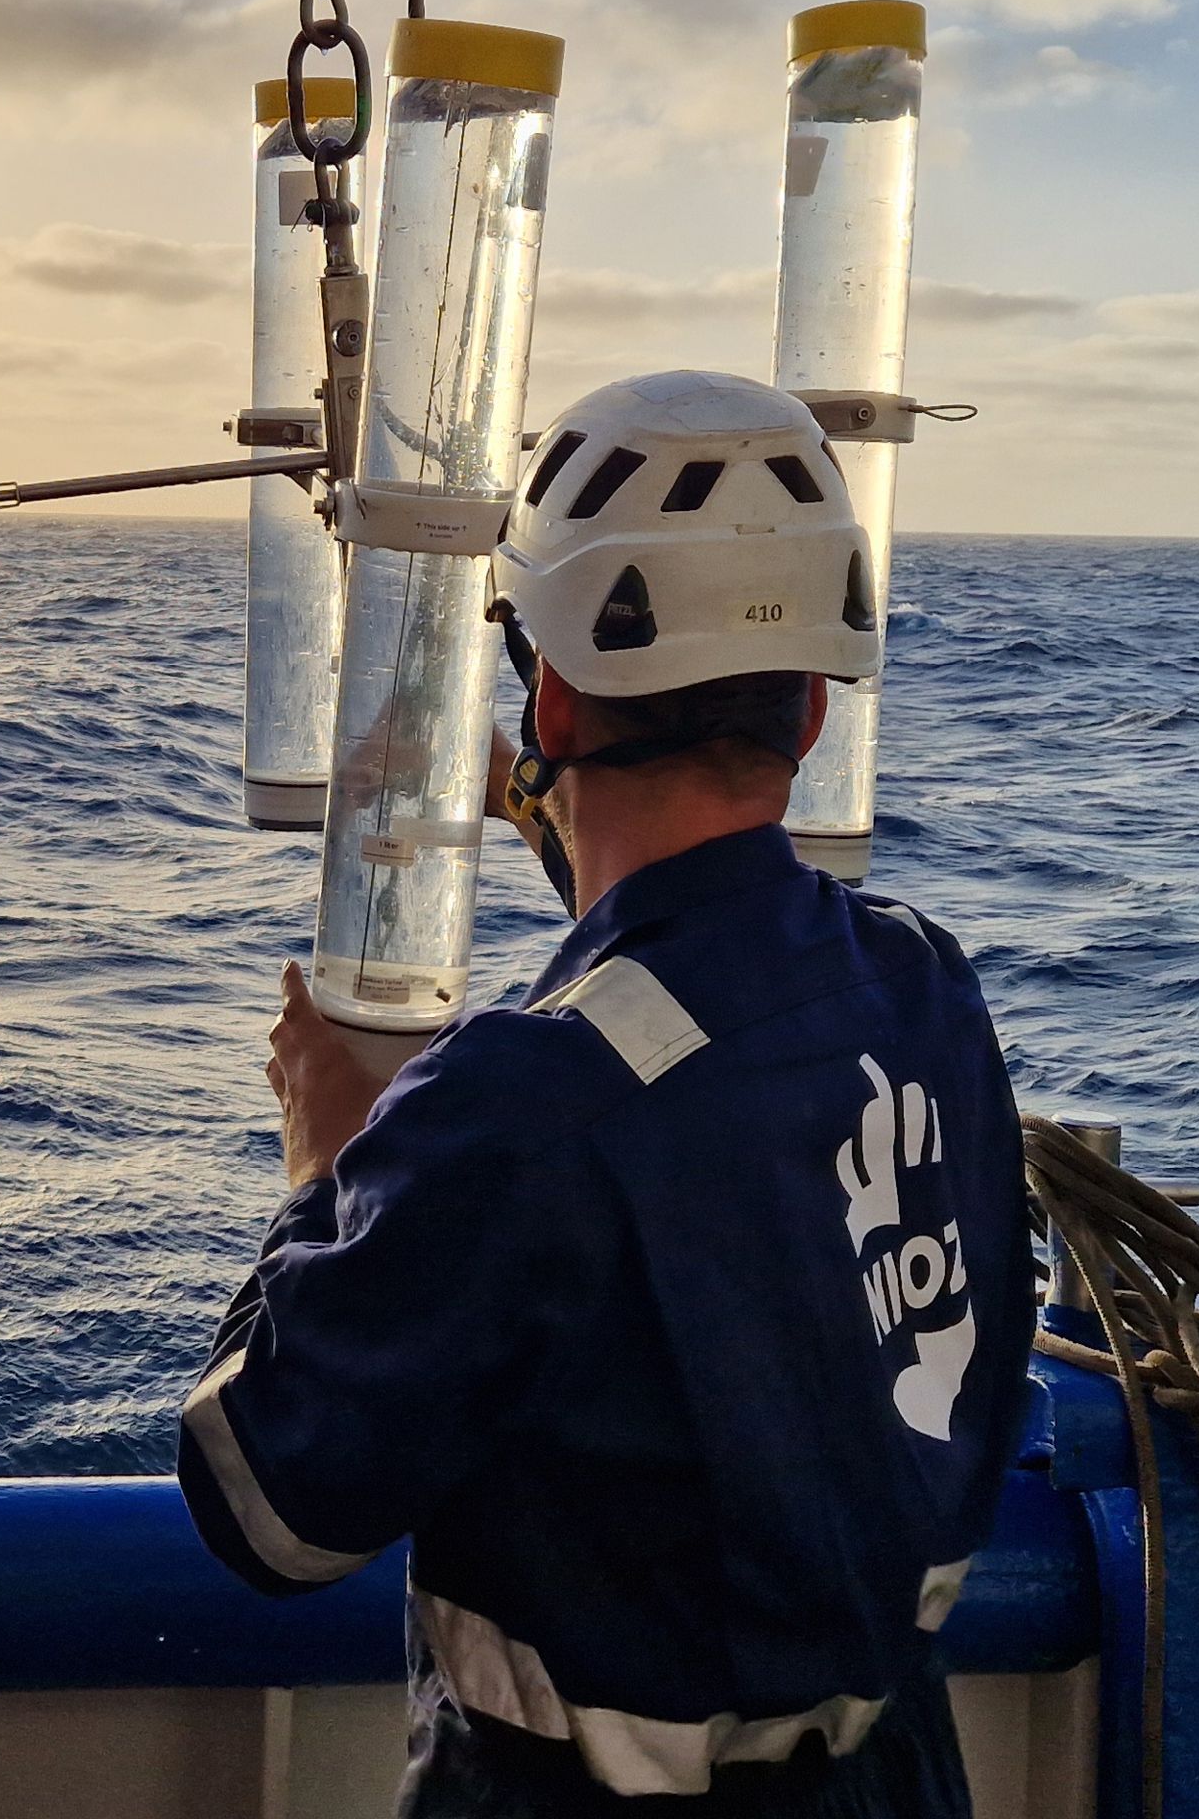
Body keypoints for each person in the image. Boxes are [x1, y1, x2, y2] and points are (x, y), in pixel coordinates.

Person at [177, 370, 1035, 1816]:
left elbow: (269, 1514)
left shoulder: (519, 1107)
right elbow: (701, 992)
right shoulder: (919, 986)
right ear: (813, 711)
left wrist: (329, 1163)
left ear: (558, 690)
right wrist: (532, 790)